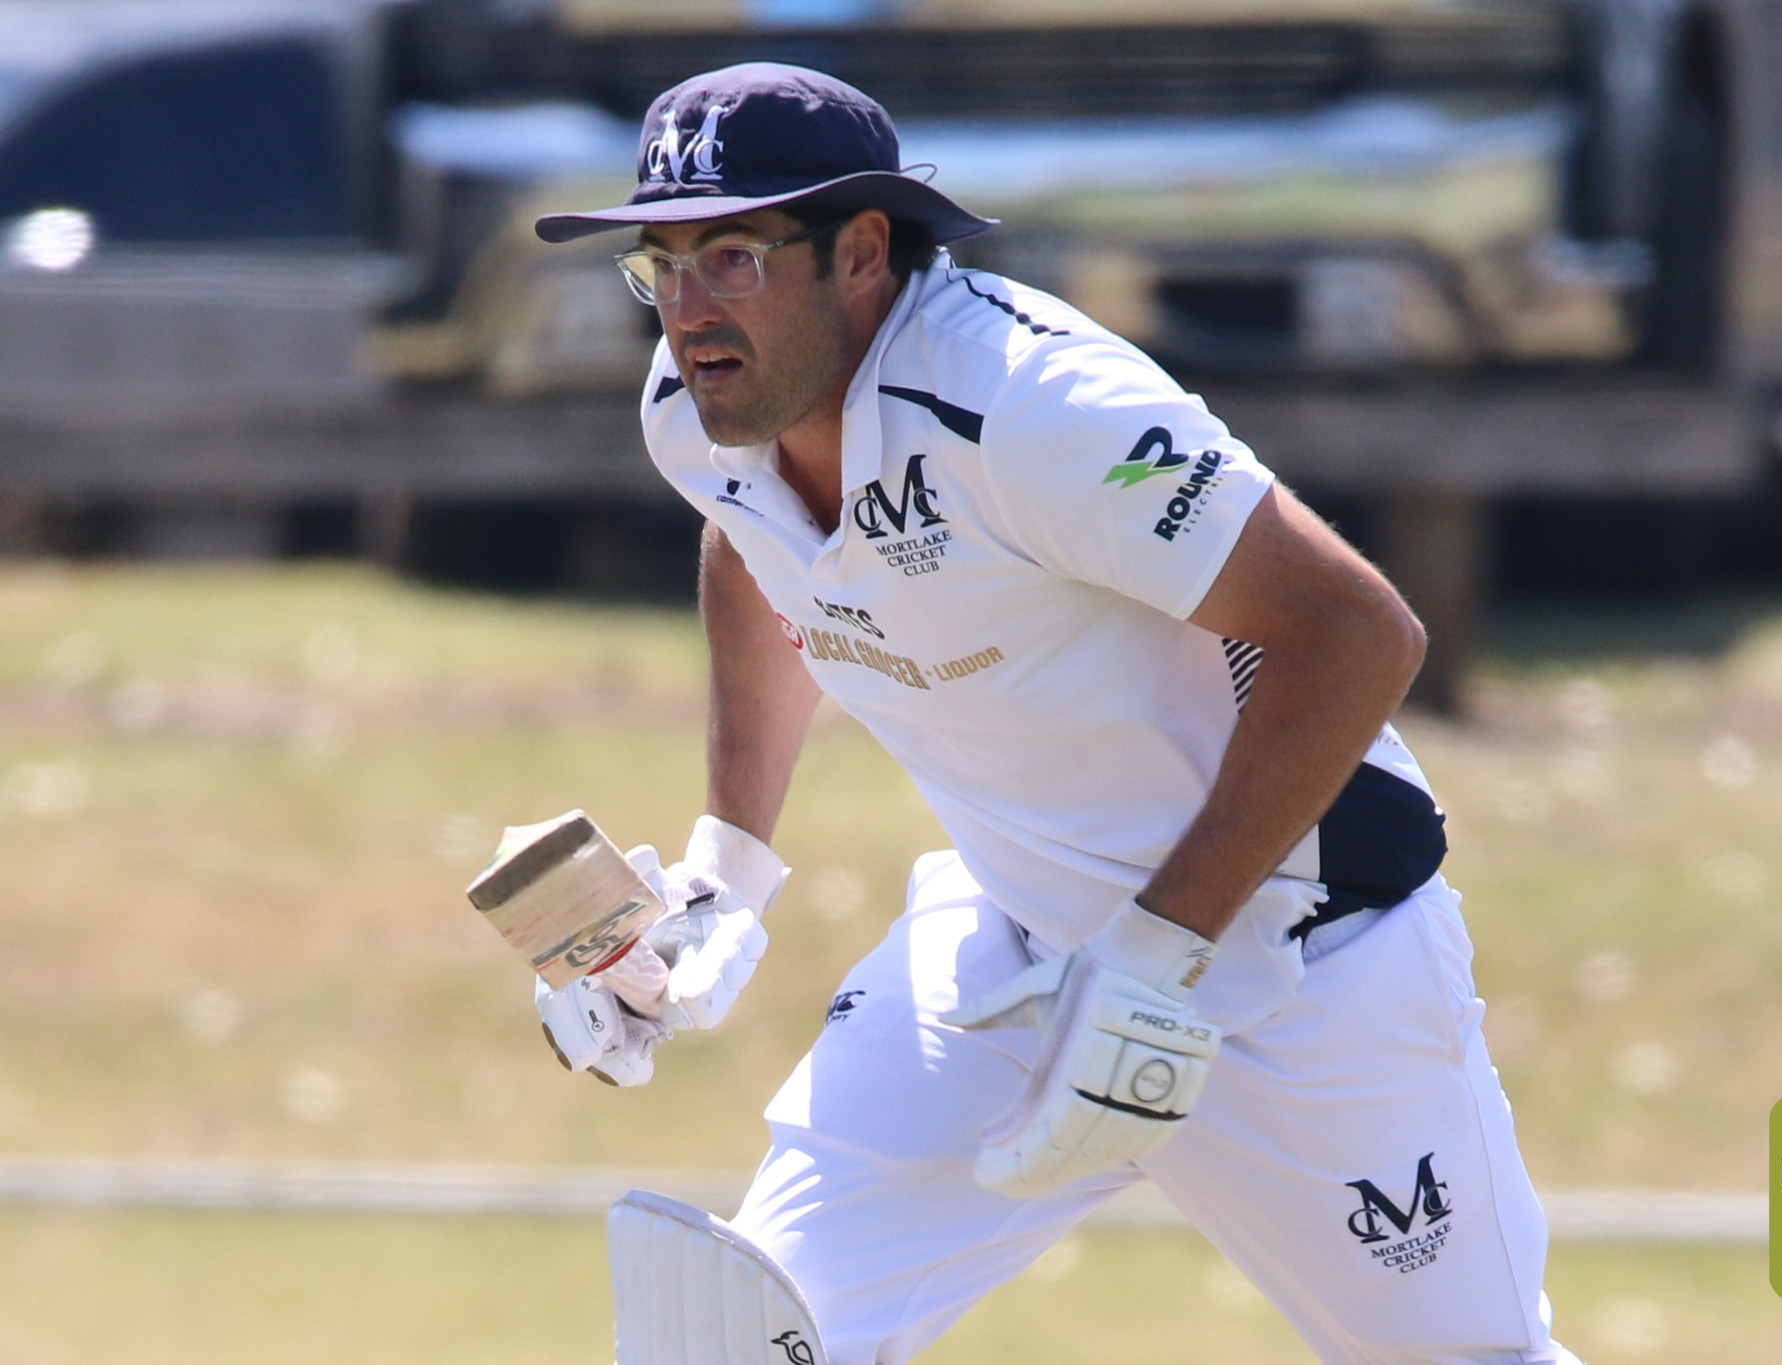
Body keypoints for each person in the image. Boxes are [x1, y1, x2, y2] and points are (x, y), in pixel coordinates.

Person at [532, 62, 1581, 1365]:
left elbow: (1360, 634)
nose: (687, 313)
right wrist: (726, 868)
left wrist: (1154, 963)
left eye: (733, 256)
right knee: (729, 1341)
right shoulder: (701, 410)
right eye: (662, 266)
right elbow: (756, 537)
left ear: (863, 250)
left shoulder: (1029, 404)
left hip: (1307, 960)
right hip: (1009, 941)